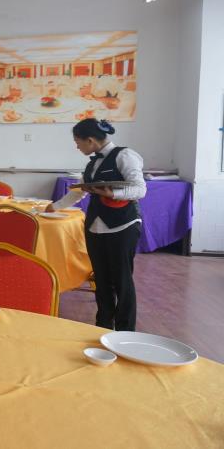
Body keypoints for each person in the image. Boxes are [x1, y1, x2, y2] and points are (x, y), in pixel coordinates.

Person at [47, 118, 146, 331]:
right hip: (95, 226)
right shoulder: (92, 164)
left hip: (122, 225)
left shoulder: (125, 156)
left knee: (122, 280)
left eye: (78, 142)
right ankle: (103, 325)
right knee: (101, 279)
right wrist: (54, 207)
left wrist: (113, 193)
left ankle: (125, 331)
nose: (77, 147)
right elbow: (79, 191)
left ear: (90, 140)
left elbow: (140, 189)